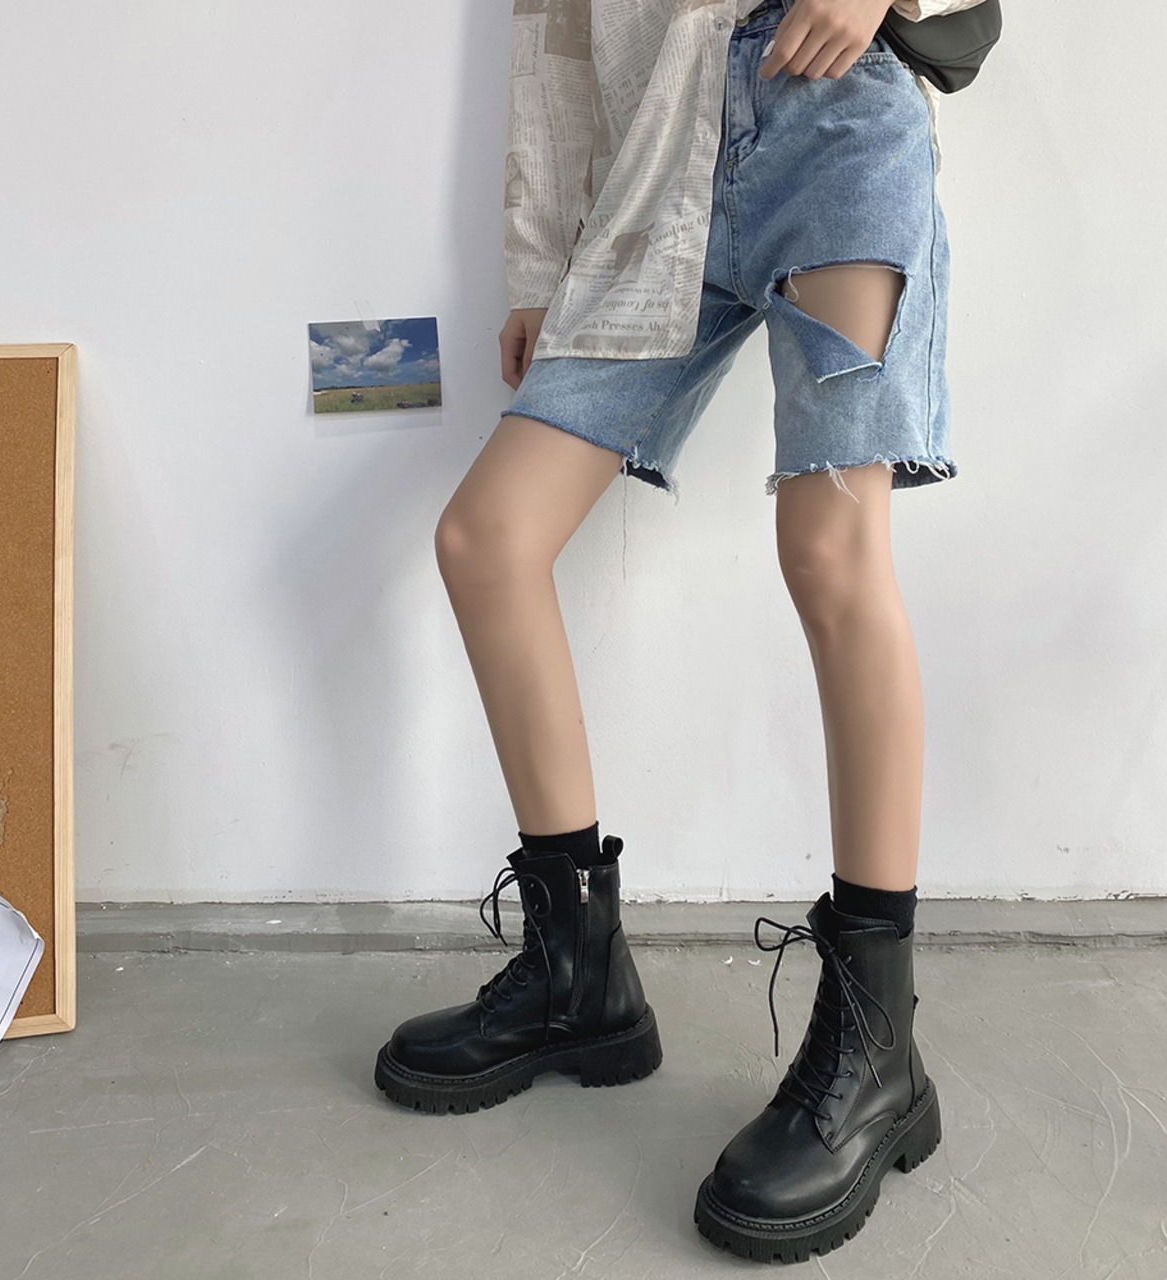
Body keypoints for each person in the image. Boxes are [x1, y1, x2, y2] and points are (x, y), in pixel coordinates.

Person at [375, 0, 986, 1263]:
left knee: (828, 551)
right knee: (485, 541)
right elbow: (552, 45)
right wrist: (539, 268)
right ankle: (576, 976)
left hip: (831, 127)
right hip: (654, 179)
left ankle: (877, 1047)